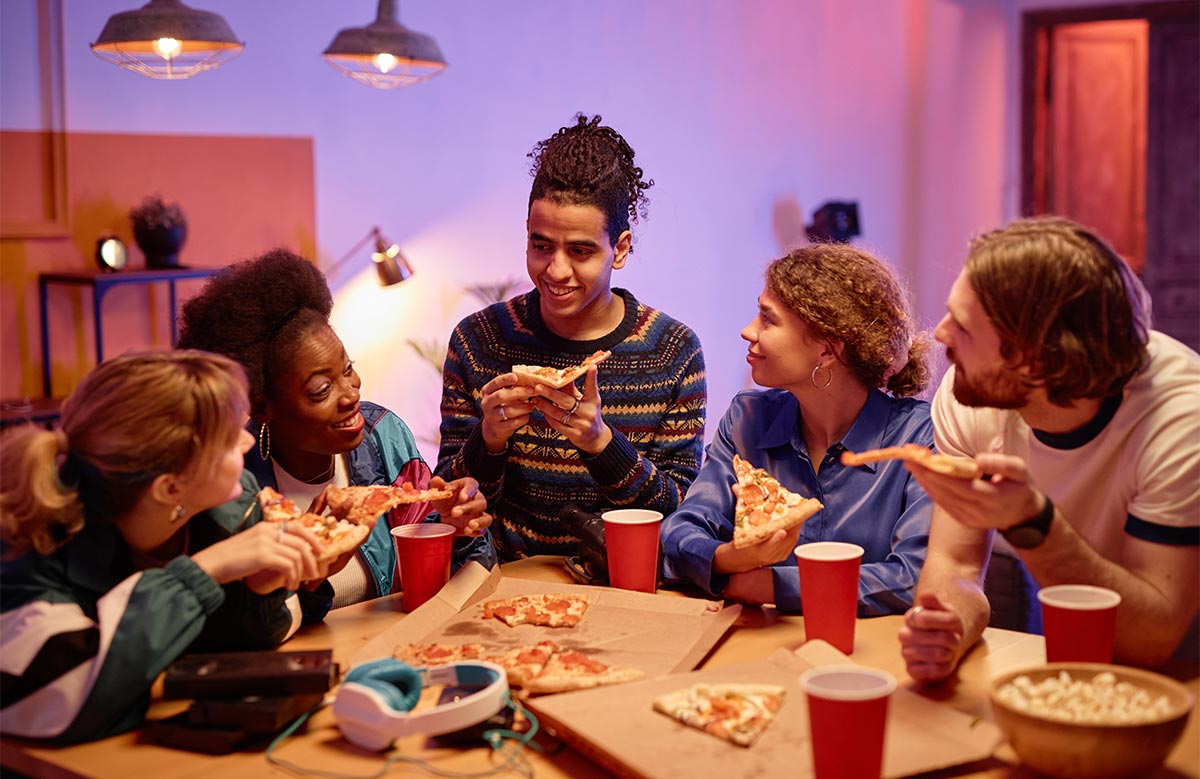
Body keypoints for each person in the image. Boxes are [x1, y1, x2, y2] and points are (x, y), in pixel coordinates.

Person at [899, 217, 1200, 684]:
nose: (939, 335)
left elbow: (1153, 639)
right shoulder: (970, 395)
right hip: (1082, 608)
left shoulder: (1181, 420)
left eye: (962, 325)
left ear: (1035, 361)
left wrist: (1030, 521)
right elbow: (955, 562)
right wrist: (947, 625)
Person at [0, 351, 326, 743]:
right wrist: (201, 575)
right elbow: (55, 702)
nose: (245, 442)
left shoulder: (234, 508)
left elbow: (241, 648)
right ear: (170, 488)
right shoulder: (29, 552)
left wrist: (258, 593)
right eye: (227, 440)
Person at [436, 113, 707, 561]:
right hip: (505, 591)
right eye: (542, 245)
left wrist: (601, 443)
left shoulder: (672, 351)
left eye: (580, 251)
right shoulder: (479, 340)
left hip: (630, 590)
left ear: (619, 249)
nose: (556, 270)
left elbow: (680, 517)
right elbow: (451, 502)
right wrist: (489, 439)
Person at [177, 250, 494, 622]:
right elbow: (236, 624)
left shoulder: (383, 436)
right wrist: (310, 578)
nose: (351, 394)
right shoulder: (233, 481)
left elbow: (452, 569)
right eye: (322, 389)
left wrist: (454, 530)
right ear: (263, 407)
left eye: (348, 370)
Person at [661, 244, 934, 613]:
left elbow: (917, 578)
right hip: (753, 649)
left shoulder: (920, 438)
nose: (747, 331)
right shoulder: (747, 418)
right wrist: (730, 560)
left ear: (826, 350)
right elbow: (679, 534)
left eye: (767, 319)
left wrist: (769, 585)